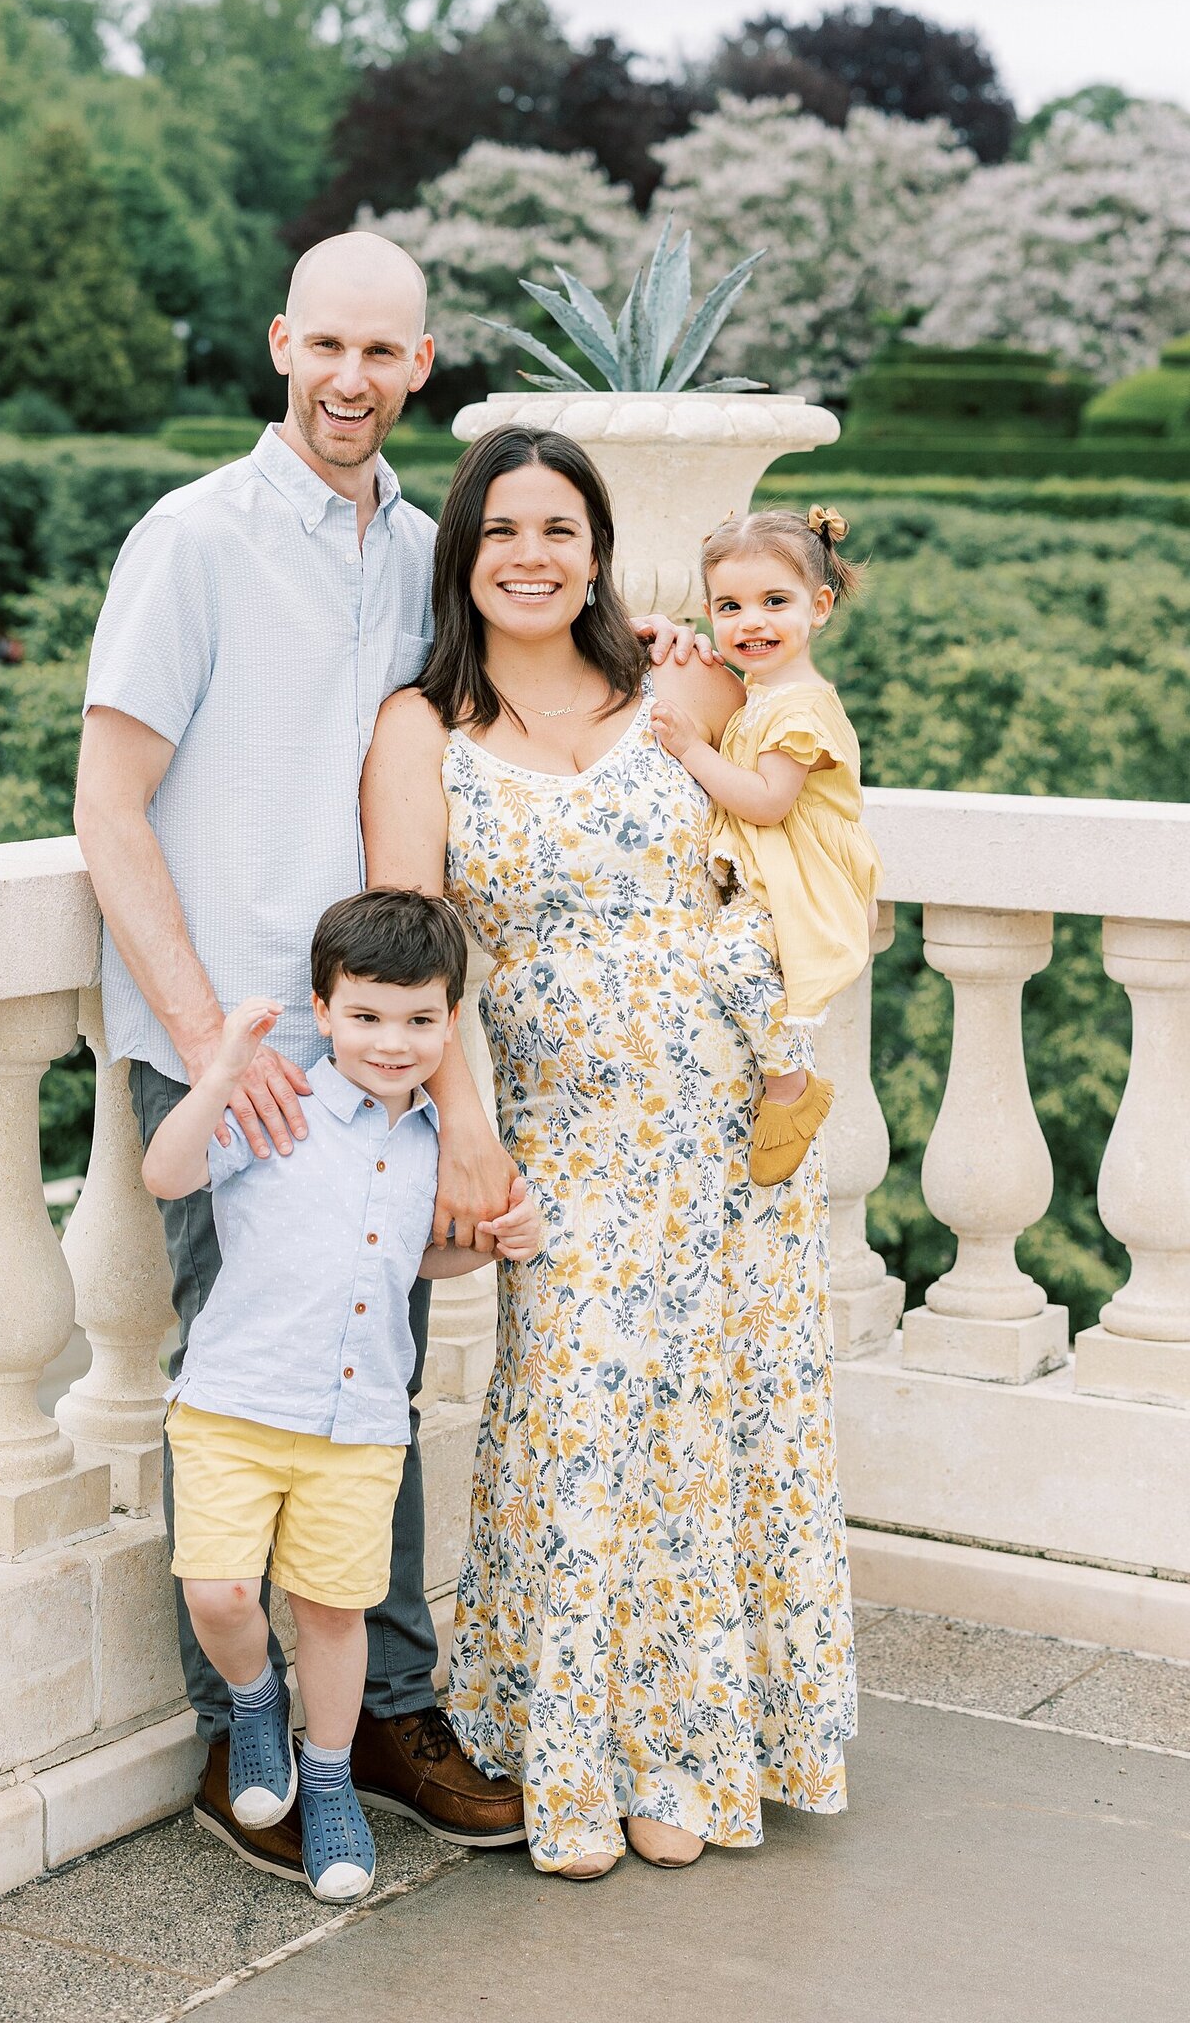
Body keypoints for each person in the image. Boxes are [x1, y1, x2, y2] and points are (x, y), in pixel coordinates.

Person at [74, 233, 698, 1875]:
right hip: (237, 1052)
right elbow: (106, 805)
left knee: (378, 1378)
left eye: (383, 352)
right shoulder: (191, 540)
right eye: (324, 344)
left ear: (422, 368)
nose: (350, 377)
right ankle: (245, 1741)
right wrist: (212, 1034)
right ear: (282, 342)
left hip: (389, 1052)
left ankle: (392, 1714)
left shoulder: (431, 552)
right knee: (242, 1378)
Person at [362, 425, 856, 1879]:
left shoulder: (678, 684)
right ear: (466, 551)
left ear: (597, 552)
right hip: (566, 1135)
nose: (531, 554)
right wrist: (465, 1128)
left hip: (724, 1124)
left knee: (712, 1422)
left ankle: (692, 1749)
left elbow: (792, 776)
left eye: (560, 529)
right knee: (582, 1417)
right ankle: (575, 1744)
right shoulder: (420, 727)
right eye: (503, 528)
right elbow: (415, 943)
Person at [139, 890, 542, 1903]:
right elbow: (165, 1172)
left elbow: (422, 1257)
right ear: (322, 1011)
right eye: (365, 1017)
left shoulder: (430, 1148)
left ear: (450, 1023)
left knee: (332, 1608)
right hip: (236, 1409)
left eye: (418, 1021)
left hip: (355, 1426)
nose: (392, 1042)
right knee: (222, 1594)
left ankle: (328, 1781)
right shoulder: (277, 1108)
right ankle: (251, 1704)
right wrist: (223, 1066)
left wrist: (494, 1247)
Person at [651, 504, 883, 1186]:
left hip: (806, 876)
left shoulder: (801, 707)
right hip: (775, 868)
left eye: (773, 602)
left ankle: (789, 1082)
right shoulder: (761, 690)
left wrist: (691, 746)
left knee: (730, 959)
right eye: (731, 606)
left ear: (819, 607)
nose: (750, 622)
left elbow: (766, 799)